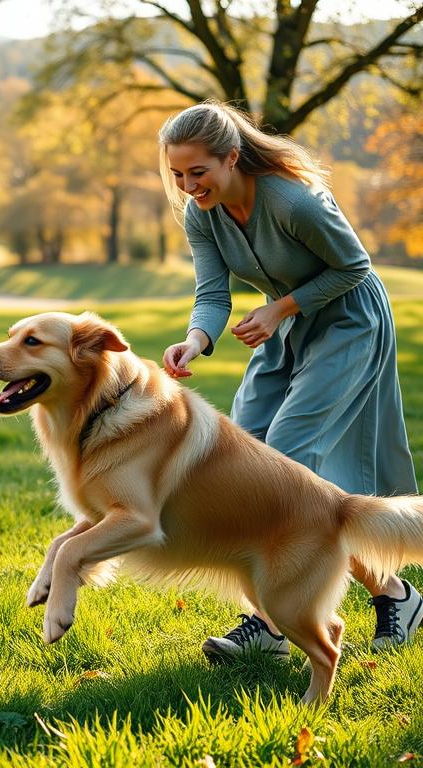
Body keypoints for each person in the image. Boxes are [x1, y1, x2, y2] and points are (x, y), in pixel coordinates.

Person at [157, 100, 422, 662]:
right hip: (289, 328)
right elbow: (212, 293)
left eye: (198, 172)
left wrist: (280, 310)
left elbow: (355, 267)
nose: (187, 185)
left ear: (231, 158)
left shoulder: (293, 200)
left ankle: (272, 626)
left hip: (349, 322)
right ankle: (394, 593)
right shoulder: (201, 215)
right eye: (177, 174)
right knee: (240, 460)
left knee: (287, 464)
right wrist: (195, 342)